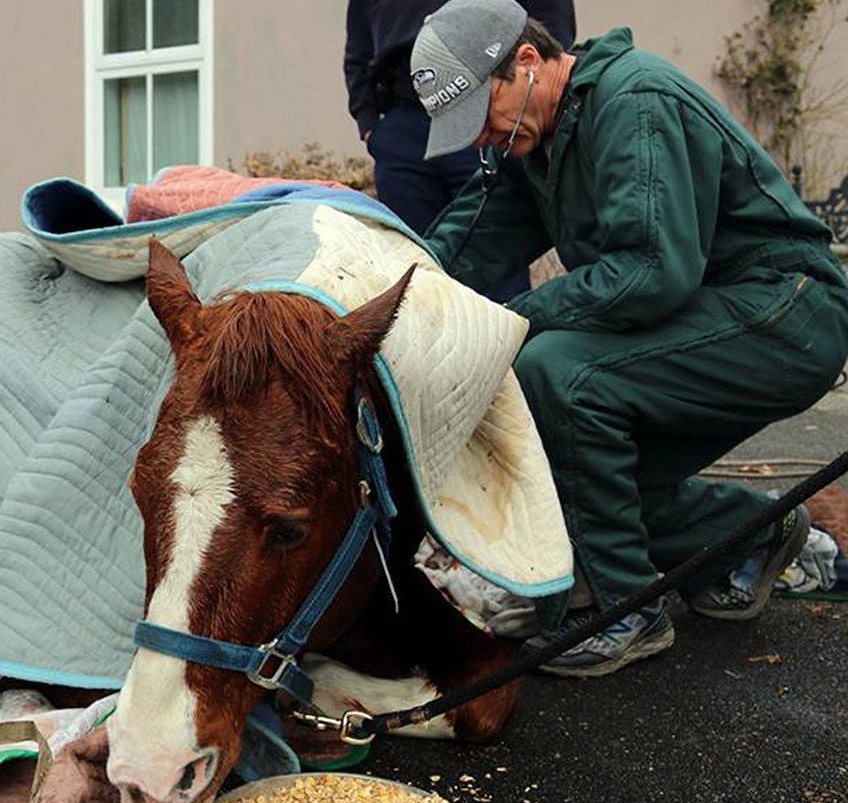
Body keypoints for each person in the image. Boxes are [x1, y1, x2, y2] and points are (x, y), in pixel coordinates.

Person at [410, 0, 848, 676]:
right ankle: (762, 531)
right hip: (716, 311)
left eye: (480, 116)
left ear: (526, 62)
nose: (478, 142)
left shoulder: (633, 102)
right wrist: (389, 290)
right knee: (589, 487)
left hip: (785, 309)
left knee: (558, 371)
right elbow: (460, 245)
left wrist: (513, 321)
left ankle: (629, 611)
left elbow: (651, 272)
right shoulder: (541, 143)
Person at [344, 0, 574, 302]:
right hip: (405, 123)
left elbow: (552, 28)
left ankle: (513, 336)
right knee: (416, 263)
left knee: (497, 245)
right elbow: (358, 51)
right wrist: (370, 124)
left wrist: (536, 102)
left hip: (490, 105)